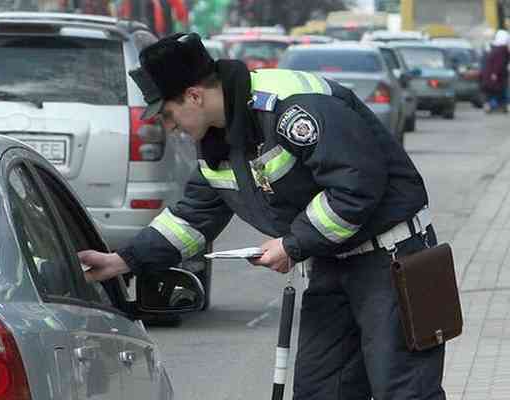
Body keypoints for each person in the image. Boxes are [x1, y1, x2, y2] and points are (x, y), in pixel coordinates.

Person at [78, 32, 445, 400]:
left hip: (394, 259)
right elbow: (191, 217)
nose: (169, 126)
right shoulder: (217, 141)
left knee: (404, 392)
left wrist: (292, 244)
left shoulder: (293, 106)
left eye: (169, 114)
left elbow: (355, 187)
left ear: (194, 95)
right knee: (321, 391)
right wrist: (123, 261)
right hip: (332, 263)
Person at [481, 29, 509, 113]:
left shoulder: (495, 49)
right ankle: (495, 106)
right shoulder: (501, 50)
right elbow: (499, 64)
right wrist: (495, 74)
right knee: (499, 92)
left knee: (493, 92)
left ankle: (491, 105)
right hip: (496, 76)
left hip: (491, 76)